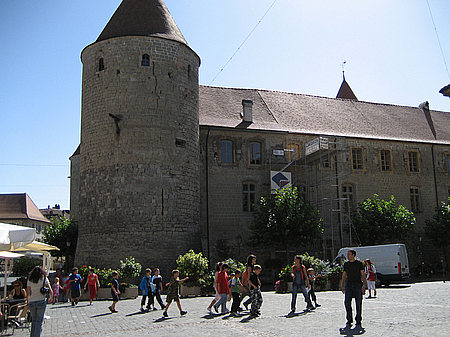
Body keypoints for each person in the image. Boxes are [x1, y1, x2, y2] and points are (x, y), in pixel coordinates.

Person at [341, 249, 367, 329]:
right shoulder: (346, 264)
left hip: (357, 284)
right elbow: (344, 275)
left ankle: (358, 320)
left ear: (353, 255)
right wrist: (342, 285)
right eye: (347, 254)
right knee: (347, 302)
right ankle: (349, 320)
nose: (348, 256)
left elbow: (363, 275)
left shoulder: (359, 264)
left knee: (358, 303)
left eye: (349, 254)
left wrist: (364, 285)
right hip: (348, 285)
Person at [27, 266, 53, 337]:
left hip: (32, 301)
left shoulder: (30, 279)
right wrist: (51, 297)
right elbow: (50, 290)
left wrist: (27, 302)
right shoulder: (44, 278)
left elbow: (28, 292)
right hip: (41, 300)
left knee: (34, 321)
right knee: (39, 321)